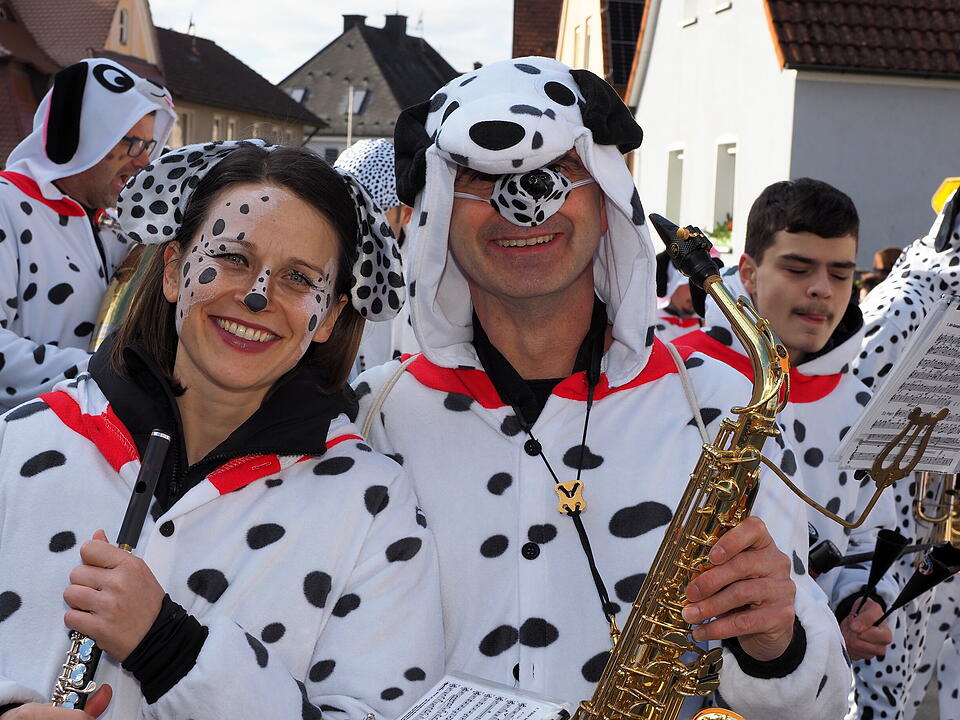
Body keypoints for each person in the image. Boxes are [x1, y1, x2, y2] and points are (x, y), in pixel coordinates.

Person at [355, 57, 851, 719]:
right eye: (480, 174)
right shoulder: (365, 423)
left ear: (610, 193)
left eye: (561, 167)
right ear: (437, 207)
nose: (524, 199)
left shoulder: (721, 407)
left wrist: (777, 646)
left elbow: (820, 701)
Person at [0, 140, 443, 720]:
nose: (257, 297)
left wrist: (171, 649)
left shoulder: (371, 508)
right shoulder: (23, 445)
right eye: (233, 257)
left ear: (331, 315)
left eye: (298, 278)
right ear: (174, 271)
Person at [672, 178, 900, 715]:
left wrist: (861, 606)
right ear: (748, 273)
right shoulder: (674, 376)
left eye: (841, 273)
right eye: (798, 269)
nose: (822, 289)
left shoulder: (861, 399)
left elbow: (869, 534)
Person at [0, 58, 177, 410]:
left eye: (148, 147)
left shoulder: (116, 222)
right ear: (88, 135)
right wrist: (101, 375)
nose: (143, 162)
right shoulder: (6, 204)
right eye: (133, 144)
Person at [852, 185, 960, 720]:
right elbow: (846, 422)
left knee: (909, 687)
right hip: (878, 544)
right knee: (876, 695)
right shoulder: (902, 305)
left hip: (927, 535)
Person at [334, 139, 415, 376]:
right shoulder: (325, 265)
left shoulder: (431, 277)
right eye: (353, 210)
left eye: (375, 216)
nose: (363, 228)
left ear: (406, 214)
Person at [653, 250, 701, 341]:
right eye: (690, 285)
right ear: (674, 286)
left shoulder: (709, 322)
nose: (696, 292)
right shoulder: (651, 324)